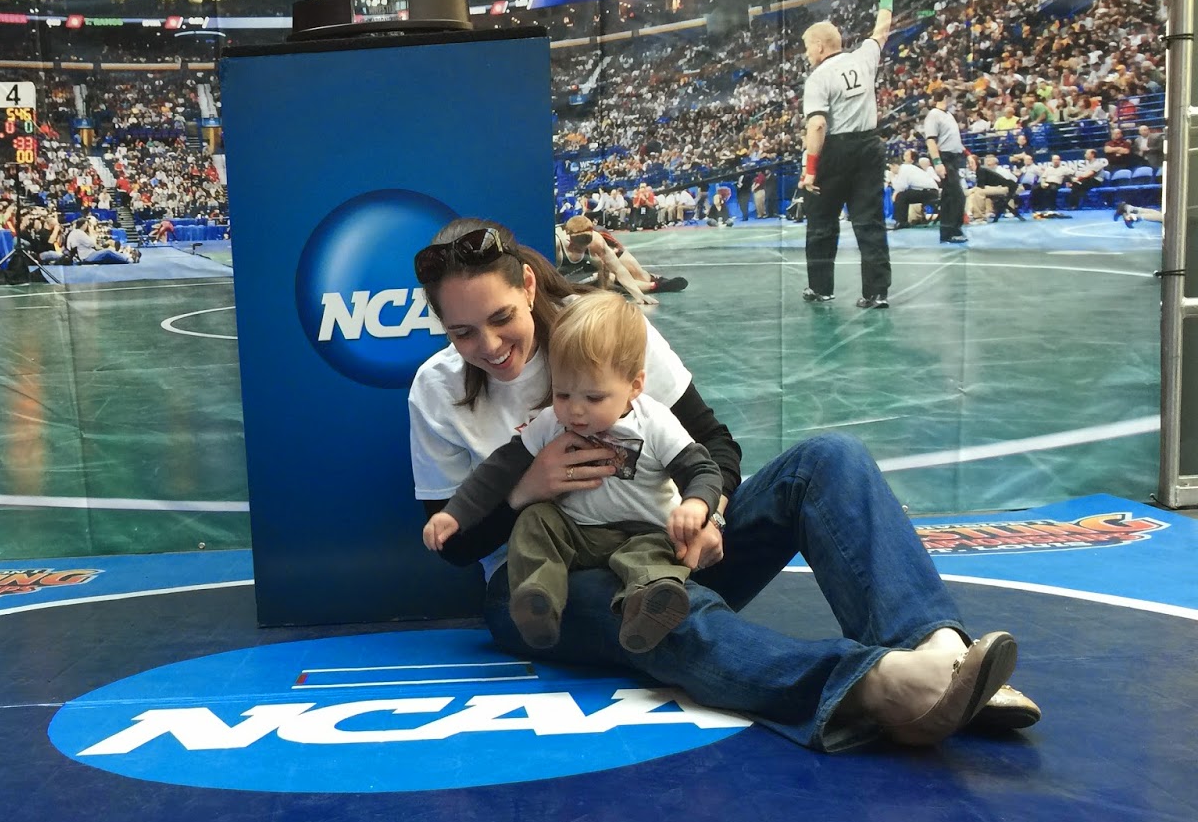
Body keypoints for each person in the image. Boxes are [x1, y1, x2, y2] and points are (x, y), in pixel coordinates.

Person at [407, 218, 1039, 751]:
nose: (489, 345)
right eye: (462, 332)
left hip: (669, 548)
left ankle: (942, 656)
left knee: (829, 459)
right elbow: (456, 546)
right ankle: (879, 686)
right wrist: (528, 490)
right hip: (545, 588)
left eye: (501, 318)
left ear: (526, 284)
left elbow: (714, 445)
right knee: (651, 610)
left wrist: (706, 512)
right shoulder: (436, 391)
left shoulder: (603, 330)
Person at [422, 292, 722, 654]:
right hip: (577, 535)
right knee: (535, 518)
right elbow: (496, 471)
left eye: (594, 398)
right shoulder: (551, 422)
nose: (575, 411)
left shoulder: (654, 422)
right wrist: (454, 513)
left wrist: (697, 505)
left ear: (635, 386)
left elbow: (702, 468)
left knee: (650, 558)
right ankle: (537, 599)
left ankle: (647, 606)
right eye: (563, 394)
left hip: (643, 532)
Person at [797, 0, 895, 308]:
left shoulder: (818, 78)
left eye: (807, 47)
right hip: (869, 146)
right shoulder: (864, 57)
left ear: (819, 46)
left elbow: (817, 126)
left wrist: (810, 169)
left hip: (836, 151)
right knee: (869, 221)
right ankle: (876, 293)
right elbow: (882, 28)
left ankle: (821, 288)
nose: (806, 53)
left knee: (821, 221)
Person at [922, 87, 969, 244]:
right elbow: (931, 140)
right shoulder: (933, 115)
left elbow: (955, 140)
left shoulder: (948, 115)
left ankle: (946, 232)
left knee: (949, 196)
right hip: (944, 157)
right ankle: (954, 230)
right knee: (957, 195)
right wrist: (937, 162)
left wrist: (968, 155)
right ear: (945, 97)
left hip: (954, 157)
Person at [888, 155, 941, 229]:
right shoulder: (906, 168)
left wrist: (892, 177)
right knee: (902, 195)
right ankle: (901, 221)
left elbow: (901, 187)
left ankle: (901, 222)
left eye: (891, 168)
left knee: (901, 196)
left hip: (929, 192)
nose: (891, 170)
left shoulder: (904, 169)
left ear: (894, 165)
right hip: (928, 191)